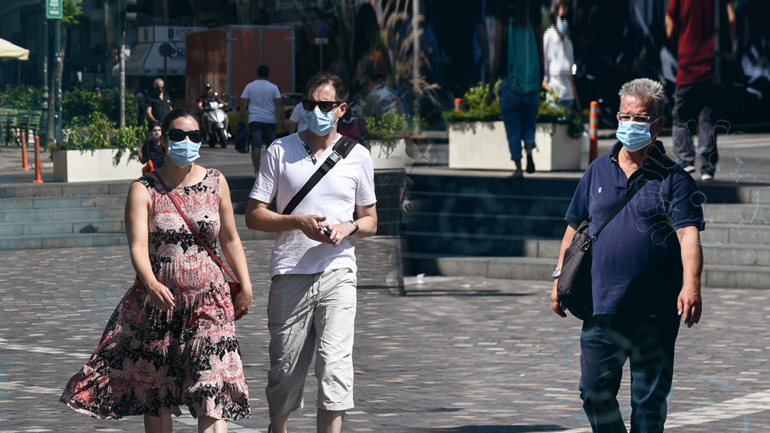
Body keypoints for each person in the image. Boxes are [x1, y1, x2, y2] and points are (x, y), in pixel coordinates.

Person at [60, 108, 254, 433]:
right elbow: (137, 246)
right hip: (158, 306)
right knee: (157, 392)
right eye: (178, 135)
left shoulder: (215, 182)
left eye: (195, 136)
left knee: (212, 385)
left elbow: (231, 238)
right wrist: (149, 283)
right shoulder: (144, 188)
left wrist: (246, 285)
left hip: (210, 303)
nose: (187, 142)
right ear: (163, 139)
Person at [551, 79, 704, 433]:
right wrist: (559, 277)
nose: (630, 124)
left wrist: (691, 285)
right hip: (601, 307)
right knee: (593, 391)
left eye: (640, 118)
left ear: (659, 124)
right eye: (625, 116)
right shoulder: (596, 171)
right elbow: (575, 228)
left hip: (655, 313)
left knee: (649, 408)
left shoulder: (674, 179)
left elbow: (688, 235)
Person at [244, 72, 378, 433]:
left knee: (335, 366)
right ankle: (279, 428)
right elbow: (254, 215)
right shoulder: (280, 151)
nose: (315, 111)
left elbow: (370, 220)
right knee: (285, 370)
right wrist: (295, 222)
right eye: (309, 104)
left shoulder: (357, 156)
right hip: (290, 271)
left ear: (341, 109)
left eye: (324, 105)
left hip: (339, 270)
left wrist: (346, 227)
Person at [666, 0, 735, 181]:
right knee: (707, 117)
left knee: (680, 115)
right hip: (712, 65)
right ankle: (707, 168)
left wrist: (672, 36)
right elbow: (731, 17)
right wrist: (729, 45)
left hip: (687, 63)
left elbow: (670, 23)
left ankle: (685, 160)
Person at [486, 0, 545, 178]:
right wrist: (540, 81)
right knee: (529, 125)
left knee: (513, 130)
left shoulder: (503, 22)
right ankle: (529, 150)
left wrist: (490, 89)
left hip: (510, 86)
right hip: (531, 87)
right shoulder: (536, 21)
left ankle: (519, 169)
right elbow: (542, 57)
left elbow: (496, 62)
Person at [240, 65, 287, 174]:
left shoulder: (249, 86)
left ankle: (256, 171)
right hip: (270, 120)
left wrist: (241, 119)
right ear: (268, 74)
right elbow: (279, 104)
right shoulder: (273, 87)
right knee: (271, 147)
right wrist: (283, 119)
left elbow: (243, 104)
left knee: (256, 145)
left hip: (254, 119)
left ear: (257, 73)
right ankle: (268, 171)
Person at [543, 0, 581, 112]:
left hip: (568, 98)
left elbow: (571, 77)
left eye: (566, 17)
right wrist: (552, 92)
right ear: (554, 17)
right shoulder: (548, 37)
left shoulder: (568, 43)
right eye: (562, 17)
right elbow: (542, 73)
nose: (564, 21)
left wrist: (576, 100)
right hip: (555, 100)